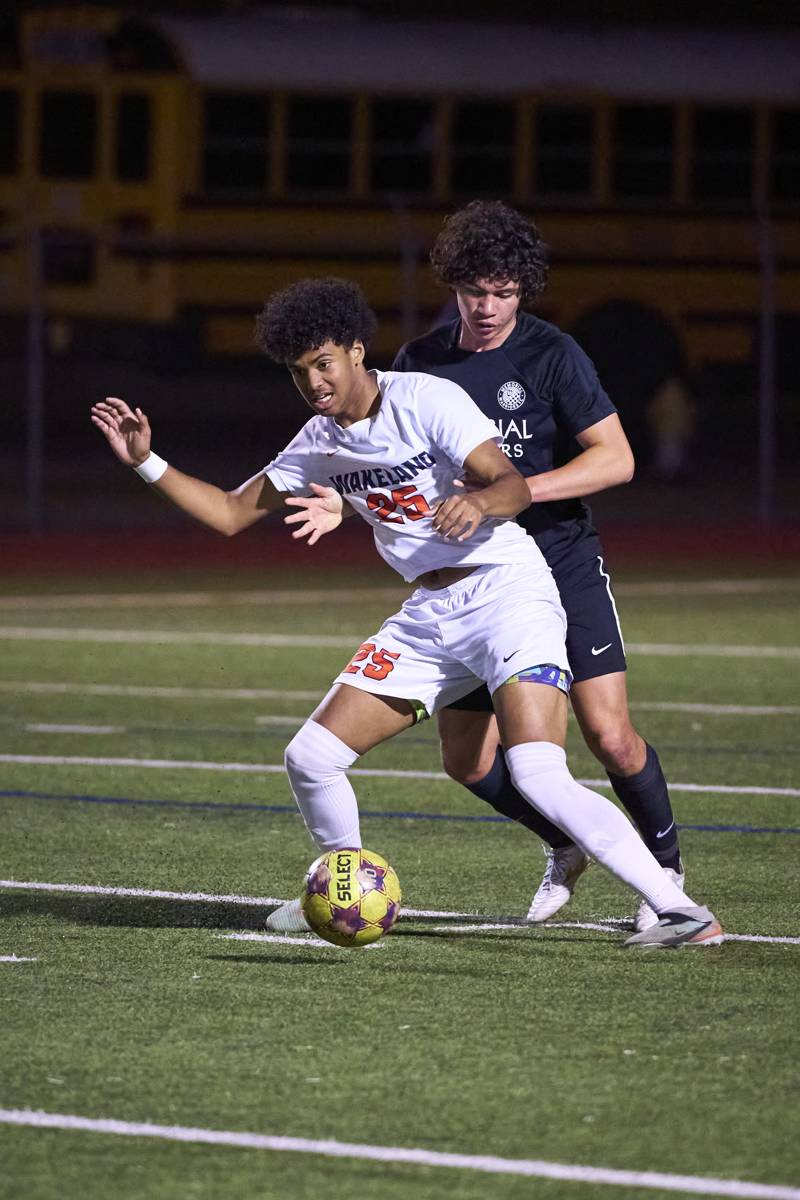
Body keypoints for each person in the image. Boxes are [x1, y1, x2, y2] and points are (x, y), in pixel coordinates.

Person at [90, 276, 722, 950]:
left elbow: (507, 481)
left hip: (508, 593)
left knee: (538, 771)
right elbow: (227, 511)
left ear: (357, 351)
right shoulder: (317, 441)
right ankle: (346, 882)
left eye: (324, 364)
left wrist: (479, 502)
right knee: (311, 756)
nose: (314, 384)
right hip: (431, 612)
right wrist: (145, 462)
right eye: (300, 373)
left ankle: (681, 909)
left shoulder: (426, 399)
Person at [392, 200, 684, 932]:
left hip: (559, 563)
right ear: (451, 286)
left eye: (503, 292)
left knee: (610, 735)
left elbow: (616, 459)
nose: (488, 307)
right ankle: (564, 843)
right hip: (477, 583)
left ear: (524, 289)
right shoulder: (419, 365)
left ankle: (665, 877)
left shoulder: (553, 354)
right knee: (466, 760)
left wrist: (510, 494)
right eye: (474, 291)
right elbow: (384, 459)